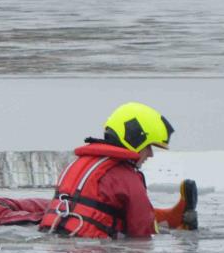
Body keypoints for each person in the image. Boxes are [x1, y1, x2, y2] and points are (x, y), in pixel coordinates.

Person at [38, 102, 197, 239]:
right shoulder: (126, 178)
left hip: (59, 242)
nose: (151, 154)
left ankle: (172, 218)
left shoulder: (76, 165)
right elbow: (143, 232)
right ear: (135, 139)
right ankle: (175, 220)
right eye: (149, 146)